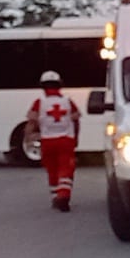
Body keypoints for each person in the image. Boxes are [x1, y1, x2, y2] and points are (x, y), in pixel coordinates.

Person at [27, 70, 81, 212]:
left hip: (47, 141)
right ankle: (63, 196)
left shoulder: (39, 103)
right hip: (66, 140)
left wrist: (29, 137)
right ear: (60, 85)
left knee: (52, 170)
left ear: (43, 87)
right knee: (66, 168)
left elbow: (31, 122)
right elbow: (76, 121)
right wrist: (76, 138)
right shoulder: (68, 102)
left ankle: (55, 197)